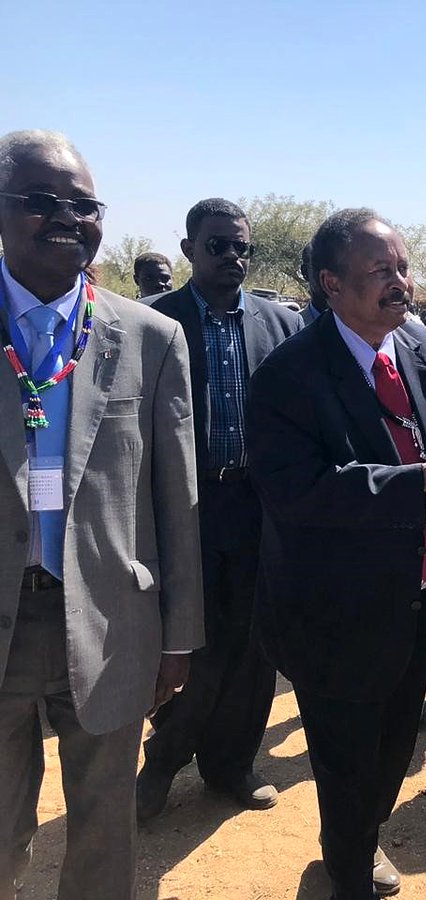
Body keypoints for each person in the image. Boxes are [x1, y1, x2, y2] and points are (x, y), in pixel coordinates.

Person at [245, 208, 426, 899]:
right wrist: (419, 478)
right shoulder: (289, 375)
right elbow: (296, 492)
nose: (401, 283)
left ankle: (356, 839)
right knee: (345, 756)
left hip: (418, 592)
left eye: (403, 268)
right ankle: (349, 866)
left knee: (392, 749)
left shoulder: (424, 346)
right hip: (336, 607)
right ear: (331, 283)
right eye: (381, 271)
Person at [0, 129, 203, 899]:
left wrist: (179, 638)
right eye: (40, 201)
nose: (66, 218)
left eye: (83, 205)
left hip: (113, 624)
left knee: (102, 836)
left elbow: (177, 502)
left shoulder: (152, 338)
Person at [138, 199, 304, 822]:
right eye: (217, 247)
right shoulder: (156, 323)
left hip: (262, 509)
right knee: (195, 648)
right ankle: (163, 761)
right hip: (188, 510)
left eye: (242, 248)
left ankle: (231, 765)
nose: (232, 258)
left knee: (257, 647)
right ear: (188, 250)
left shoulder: (279, 324)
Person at [299, 239, 328, 325]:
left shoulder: (363, 329)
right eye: (321, 267)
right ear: (305, 272)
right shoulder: (291, 329)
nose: (330, 277)